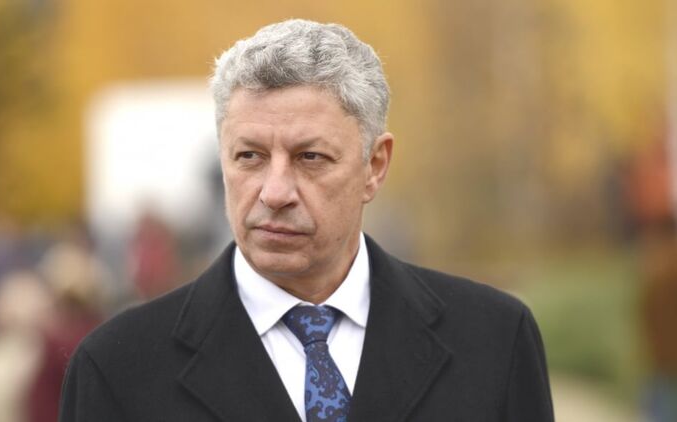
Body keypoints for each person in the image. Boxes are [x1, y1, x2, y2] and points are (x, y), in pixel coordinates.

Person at [60, 19, 554, 421]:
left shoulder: (493, 339)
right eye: (249, 156)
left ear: (374, 166)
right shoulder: (118, 368)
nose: (274, 192)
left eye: (310, 157)